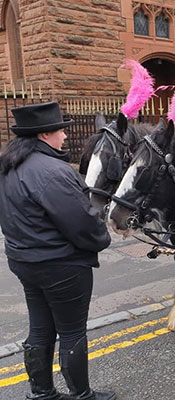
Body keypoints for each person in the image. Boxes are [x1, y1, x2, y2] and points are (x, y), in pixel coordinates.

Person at [0, 102, 115, 400]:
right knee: (72, 331)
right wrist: (102, 236)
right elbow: (82, 224)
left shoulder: (9, 166)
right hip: (61, 266)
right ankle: (82, 394)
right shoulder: (52, 172)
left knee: (40, 328)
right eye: (61, 129)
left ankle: (41, 392)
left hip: (25, 261)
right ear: (44, 134)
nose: (65, 135)